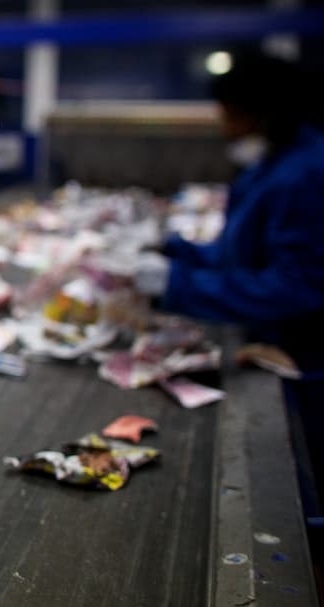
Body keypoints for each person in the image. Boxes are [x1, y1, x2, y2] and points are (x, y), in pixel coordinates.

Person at [135, 53, 324, 520]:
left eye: (229, 114)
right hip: (273, 343)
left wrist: (173, 282)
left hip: (305, 360)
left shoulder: (306, 175)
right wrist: (171, 249)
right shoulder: (269, 165)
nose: (223, 126)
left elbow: (296, 285)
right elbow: (237, 255)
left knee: (294, 502)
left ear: (261, 111)